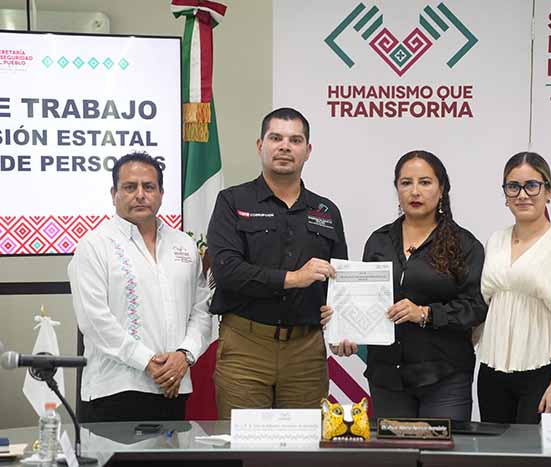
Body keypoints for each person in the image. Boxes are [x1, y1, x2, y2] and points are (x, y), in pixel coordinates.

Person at [324, 150, 487, 421]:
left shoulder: (464, 244)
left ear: (442, 189)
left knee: (442, 448)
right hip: (387, 377)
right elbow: (364, 302)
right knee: (392, 448)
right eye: (406, 183)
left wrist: (425, 313)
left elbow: (475, 307)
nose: (415, 191)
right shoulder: (378, 241)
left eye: (425, 182)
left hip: (444, 376)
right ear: (397, 189)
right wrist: (345, 333)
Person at [207, 107, 348, 417]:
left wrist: (345, 329)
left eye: (295, 140)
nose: (285, 147)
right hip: (246, 346)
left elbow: (340, 285)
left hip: (306, 351)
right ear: (261, 145)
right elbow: (227, 271)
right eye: (276, 138)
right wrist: (293, 278)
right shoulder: (232, 201)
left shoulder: (326, 211)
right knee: (244, 441)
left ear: (308, 151)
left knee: (305, 442)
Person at [68, 151, 212, 422]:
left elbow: (201, 310)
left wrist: (184, 355)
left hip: (173, 387)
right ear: (114, 194)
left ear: (161, 193)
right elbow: (94, 320)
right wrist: (147, 362)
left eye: (148, 187)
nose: (140, 195)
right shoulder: (94, 245)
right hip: (114, 390)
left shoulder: (184, 245)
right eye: (129, 187)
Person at [476, 151, 551, 424]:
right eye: (513, 187)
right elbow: (483, 308)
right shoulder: (495, 241)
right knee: (494, 450)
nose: (522, 195)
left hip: (540, 374)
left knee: (531, 449)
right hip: (491, 372)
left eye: (532, 185)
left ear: (548, 192)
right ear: (505, 195)